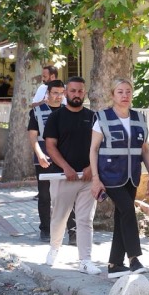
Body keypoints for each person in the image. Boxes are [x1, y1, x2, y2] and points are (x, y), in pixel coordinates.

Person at [89, 78, 149, 278]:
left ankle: (115, 265)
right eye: (120, 92)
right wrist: (95, 178)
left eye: (128, 91)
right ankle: (134, 257)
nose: (125, 95)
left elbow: (144, 149)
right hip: (109, 175)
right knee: (128, 210)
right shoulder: (102, 117)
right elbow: (93, 149)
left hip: (132, 176)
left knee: (121, 216)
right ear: (112, 95)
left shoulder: (139, 118)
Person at [44, 77, 101, 274]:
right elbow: (50, 146)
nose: (77, 94)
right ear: (66, 93)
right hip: (63, 177)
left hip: (87, 178)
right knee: (60, 217)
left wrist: (91, 168)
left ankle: (85, 260)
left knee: (85, 219)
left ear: (84, 93)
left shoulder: (94, 117)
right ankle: (54, 248)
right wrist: (66, 167)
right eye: (73, 91)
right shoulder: (56, 117)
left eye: (80, 91)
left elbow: (100, 145)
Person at [27, 80, 76, 244]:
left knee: (70, 195)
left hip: (66, 159)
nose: (58, 96)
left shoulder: (69, 111)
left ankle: (73, 232)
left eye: (61, 93)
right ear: (47, 93)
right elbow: (33, 136)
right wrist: (40, 154)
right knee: (45, 196)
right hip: (45, 158)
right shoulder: (37, 111)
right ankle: (45, 230)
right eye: (55, 93)